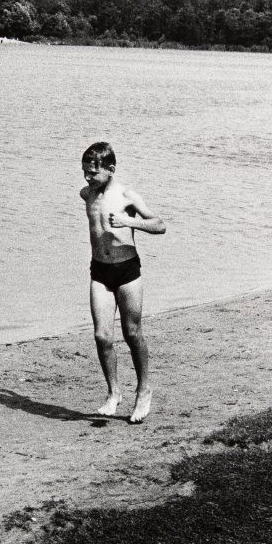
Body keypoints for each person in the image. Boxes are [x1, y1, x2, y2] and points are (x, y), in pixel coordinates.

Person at [80, 142, 166, 423]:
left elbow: (159, 224)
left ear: (111, 169)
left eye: (93, 172)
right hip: (99, 271)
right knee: (102, 337)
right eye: (85, 172)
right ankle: (114, 393)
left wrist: (131, 222)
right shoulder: (87, 194)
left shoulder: (127, 194)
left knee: (132, 333)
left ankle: (143, 390)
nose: (88, 178)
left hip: (127, 270)